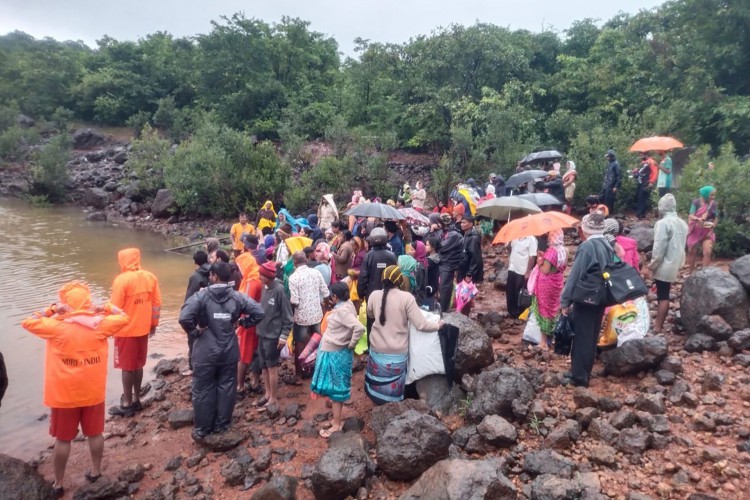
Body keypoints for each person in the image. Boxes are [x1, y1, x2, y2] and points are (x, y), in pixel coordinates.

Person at [22, 282, 129, 496]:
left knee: (63, 440)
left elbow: (28, 322)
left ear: (66, 303)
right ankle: (96, 472)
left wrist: (52, 309)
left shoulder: (56, 327)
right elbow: (124, 317)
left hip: (65, 396)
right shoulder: (100, 325)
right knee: (95, 434)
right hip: (93, 393)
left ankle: (58, 483)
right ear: (87, 302)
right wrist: (105, 307)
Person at [179, 263, 265, 441]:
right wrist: (242, 323)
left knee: (203, 389)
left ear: (214, 276)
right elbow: (259, 312)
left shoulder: (201, 296)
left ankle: (203, 428)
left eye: (211, 275)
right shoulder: (237, 297)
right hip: (228, 351)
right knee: (227, 387)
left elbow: (184, 317)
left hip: (205, 352)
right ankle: (221, 425)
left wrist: (195, 332)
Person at [365, 266, 443, 404]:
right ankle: (393, 407)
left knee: (377, 383)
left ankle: (377, 402)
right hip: (397, 356)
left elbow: (370, 314)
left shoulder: (373, 295)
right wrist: (438, 325)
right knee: (392, 393)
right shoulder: (407, 298)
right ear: (399, 280)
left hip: (376, 352)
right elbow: (421, 325)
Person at [560, 213, 613, 387]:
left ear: (585, 228)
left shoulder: (587, 247)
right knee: (591, 336)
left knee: (581, 337)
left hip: (585, 297)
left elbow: (575, 275)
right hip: (600, 297)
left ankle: (579, 377)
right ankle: (584, 372)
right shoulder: (607, 244)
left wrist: (565, 301)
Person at [109, 248, 161, 417]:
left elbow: (114, 308)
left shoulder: (121, 280)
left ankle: (127, 403)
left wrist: (108, 328)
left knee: (126, 367)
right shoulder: (150, 277)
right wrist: (153, 324)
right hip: (144, 329)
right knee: (138, 365)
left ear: (122, 261)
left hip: (126, 331)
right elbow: (156, 304)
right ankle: (137, 399)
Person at [311, 282, 365, 436]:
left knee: (336, 390)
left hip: (336, 353)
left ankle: (336, 424)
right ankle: (336, 419)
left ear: (335, 296)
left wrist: (351, 344)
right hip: (336, 351)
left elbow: (359, 328)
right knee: (336, 389)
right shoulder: (347, 305)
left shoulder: (343, 311)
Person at [646, 194, 688, 333]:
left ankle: (658, 326)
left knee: (663, 295)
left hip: (664, 263)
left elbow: (659, 247)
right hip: (676, 262)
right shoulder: (682, 223)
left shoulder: (663, 223)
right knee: (664, 292)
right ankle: (659, 324)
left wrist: (652, 266)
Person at [255, 262, 293, 409]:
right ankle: (267, 393)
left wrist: (283, 336)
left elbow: (288, 317)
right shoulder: (264, 287)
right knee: (263, 366)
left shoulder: (279, 290)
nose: (259, 277)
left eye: (261, 275)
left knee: (272, 367)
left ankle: (273, 398)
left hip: (272, 336)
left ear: (268, 277)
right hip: (262, 333)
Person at [288, 251, 331, 382]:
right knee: (317, 343)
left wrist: (290, 314)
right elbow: (326, 293)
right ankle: (316, 371)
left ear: (294, 263)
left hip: (301, 317)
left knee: (300, 345)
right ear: (306, 260)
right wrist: (326, 307)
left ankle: (299, 375)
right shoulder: (316, 273)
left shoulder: (293, 278)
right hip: (316, 314)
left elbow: (294, 301)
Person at [529, 230, 568, 347]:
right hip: (557, 281)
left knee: (544, 309)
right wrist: (544, 257)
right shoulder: (565, 250)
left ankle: (543, 342)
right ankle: (551, 337)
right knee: (553, 308)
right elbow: (561, 266)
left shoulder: (551, 252)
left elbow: (545, 270)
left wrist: (539, 262)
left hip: (546, 284)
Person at [358, 228, 397, 333]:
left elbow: (363, 277)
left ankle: (372, 343)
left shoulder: (369, 256)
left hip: (372, 294)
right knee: (388, 321)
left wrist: (360, 294)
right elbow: (396, 275)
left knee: (372, 323)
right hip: (390, 294)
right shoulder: (392, 256)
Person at [184, 250, 210, 374]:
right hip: (209, 313)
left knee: (192, 340)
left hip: (196, 314)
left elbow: (189, 298)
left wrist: (185, 312)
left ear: (195, 262)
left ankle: (192, 368)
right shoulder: (213, 272)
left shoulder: (195, 277)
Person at [687, 186, 718, 272]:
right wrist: (698, 219)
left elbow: (716, 218)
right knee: (692, 251)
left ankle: (705, 274)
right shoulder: (696, 203)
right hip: (695, 231)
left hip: (707, 231)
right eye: (711, 195)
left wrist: (712, 228)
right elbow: (691, 215)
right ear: (705, 194)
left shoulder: (713, 204)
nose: (713, 197)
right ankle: (691, 273)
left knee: (707, 252)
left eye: (714, 195)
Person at [437, 213, 464, 312]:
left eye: (439, 222)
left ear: (442, 223)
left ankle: (444, 309)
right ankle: (442, 307)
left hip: (448, 263)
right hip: (444, 261)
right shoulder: (444, 232)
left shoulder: (453, 235)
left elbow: (441, 247)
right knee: (442, 286)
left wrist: (434, 244)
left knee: (445, 287)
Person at [506, 235, 537, 318]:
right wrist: (508, 244)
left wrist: (528, 272)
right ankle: (511, 311)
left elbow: (532, 257)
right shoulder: (514, 237)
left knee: (519, 292)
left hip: (522, 270)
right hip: (512, 267)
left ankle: (519, 313)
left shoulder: (531, 239)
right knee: (510, 290)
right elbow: (510, 250)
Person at [458, 216, 483, 284]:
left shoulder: (473, 238)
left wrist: (469, 274)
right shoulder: (466, 234)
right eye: (461, 223)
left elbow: (475, 257)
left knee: (467, 289)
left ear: (471, 224)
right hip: (463, 267)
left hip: (468, 269)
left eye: (464, 223)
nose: (461, 224)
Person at [600, 149, 622, 214]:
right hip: (606, 185)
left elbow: (619, 176)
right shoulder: (610, 163)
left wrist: (616, 186)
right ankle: (604, 212)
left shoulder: (616, 164)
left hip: (612, 185)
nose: (607, 158)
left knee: (609, 200)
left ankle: (609, 213)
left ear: (611, 156)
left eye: (608, 156)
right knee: (602, 198)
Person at [634, 153, 653, 219]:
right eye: (640, 155)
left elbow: (654, 172)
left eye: (641, 155)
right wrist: (636, 171)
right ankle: (642, 214)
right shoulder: (644, 163)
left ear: (646, 155)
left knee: (642, 198)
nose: (640, 157)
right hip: (641, 182)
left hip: (646, 182)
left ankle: (639, 214)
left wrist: (651, 181)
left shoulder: (650, 162)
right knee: (639, 197)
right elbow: (641, 171)